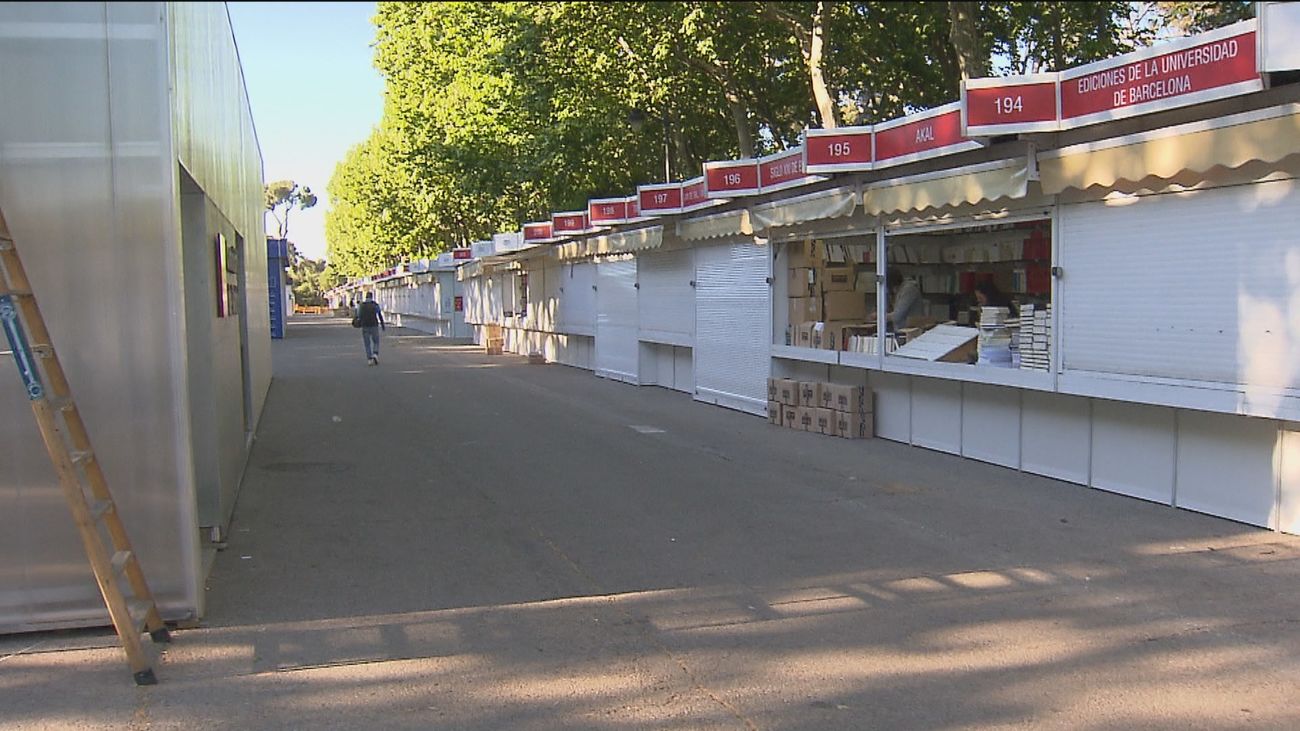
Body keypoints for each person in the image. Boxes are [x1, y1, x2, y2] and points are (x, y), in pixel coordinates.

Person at [356, 292, 386, 365]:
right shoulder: (375, 305)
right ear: (372, 297)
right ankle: (375, 354)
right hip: (374, 325)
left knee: (367, 343)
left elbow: (359, 315)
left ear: (366, 297)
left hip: (365, 326)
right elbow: (379, 315)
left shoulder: (361, 305)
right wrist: (382, 325)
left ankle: (369, 359)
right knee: (376, 341)